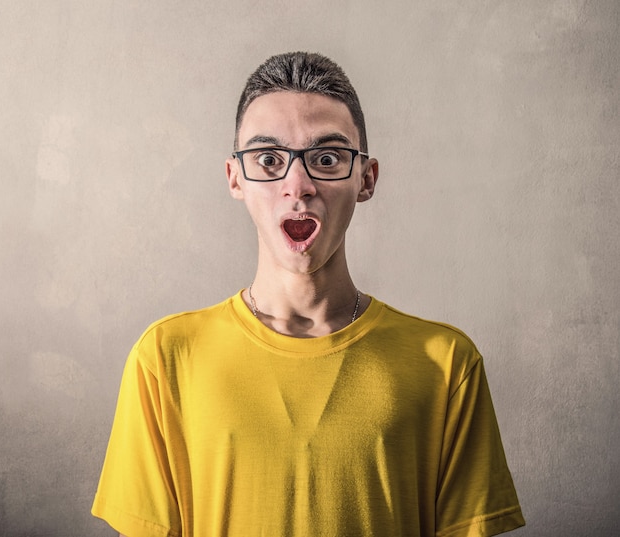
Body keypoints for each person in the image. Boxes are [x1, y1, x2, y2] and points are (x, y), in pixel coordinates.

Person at [92, 51, 525, 537]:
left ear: (366, 178)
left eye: (326, 158)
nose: (297, 186)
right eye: (269, 159)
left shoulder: (446, 364)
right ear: (235, 178)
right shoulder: (165, 358)